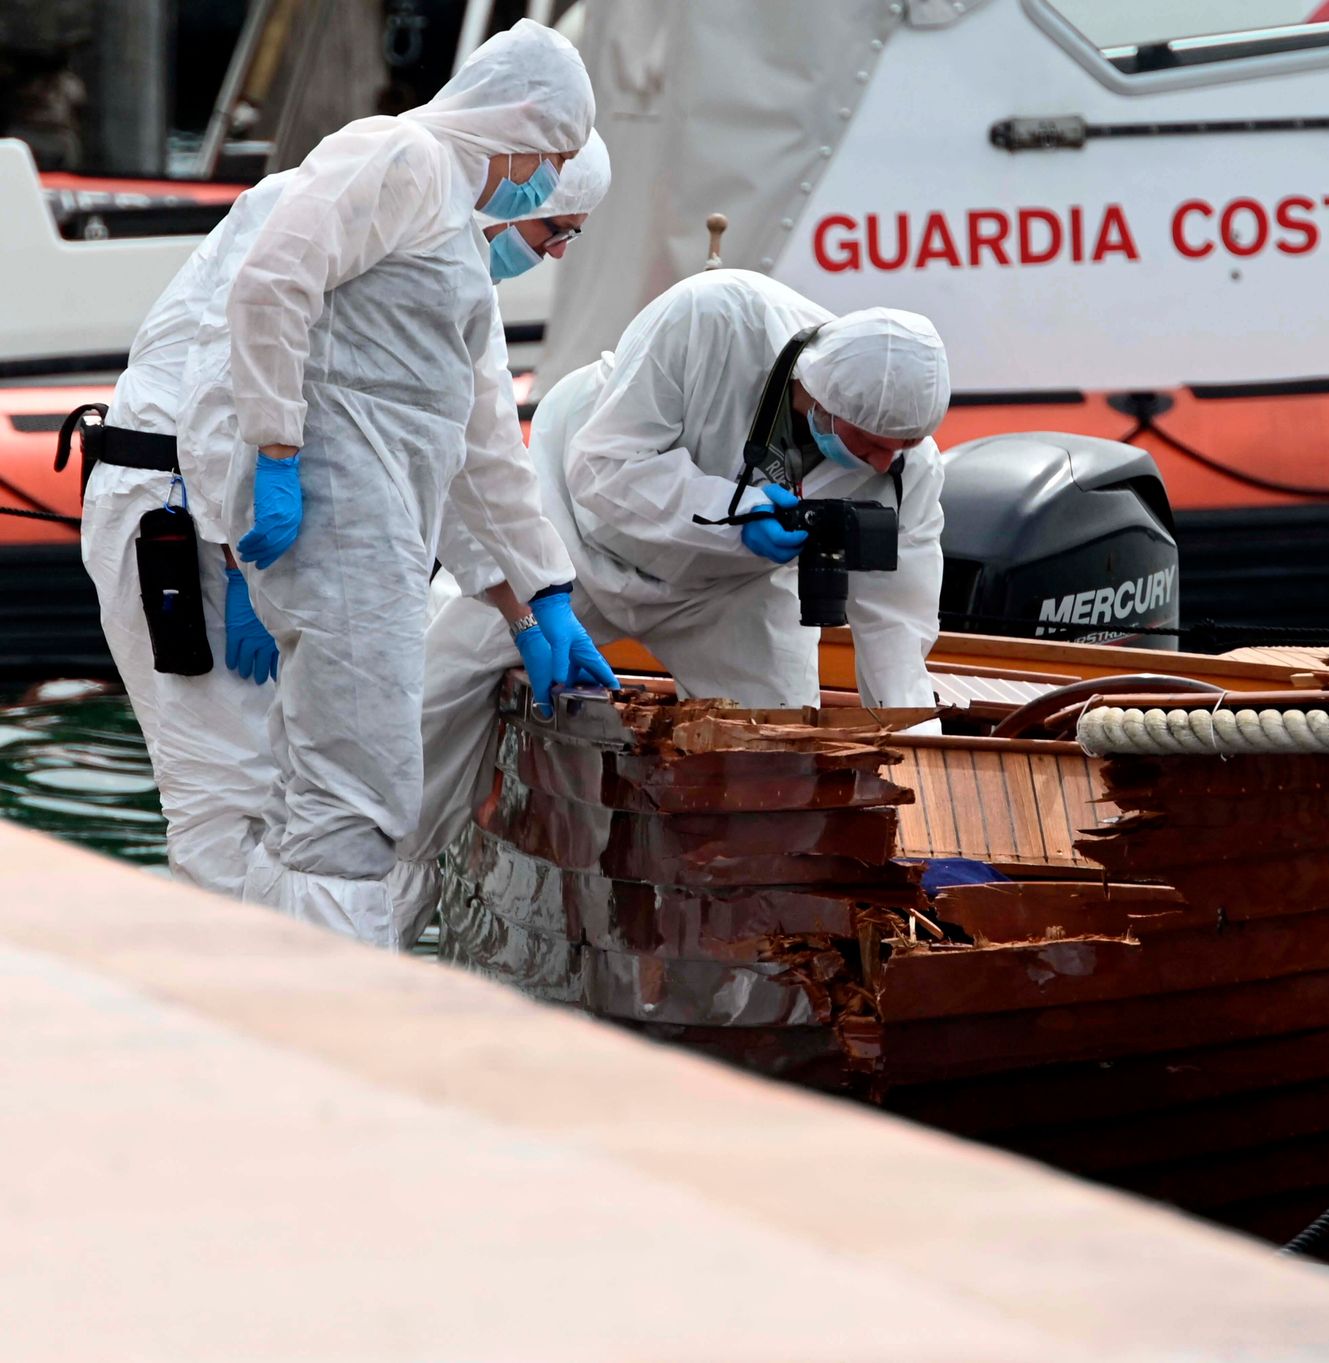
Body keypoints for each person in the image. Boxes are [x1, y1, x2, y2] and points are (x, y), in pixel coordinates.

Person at [73, 115, 612, 905]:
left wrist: (532, 607)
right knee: (227, 800)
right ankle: (222, 1010)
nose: (555, 253)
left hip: (272, 535)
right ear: (514, 170)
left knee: (294, 802)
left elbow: (466, 455)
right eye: (553, 229)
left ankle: (275, 998)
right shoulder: (321, 205)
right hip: (186, 512)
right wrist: (238, 556)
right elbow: (224, 389)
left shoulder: (449, 269)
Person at [385, 268, 951, 930]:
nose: (884, 464)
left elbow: (898, 631)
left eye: (902, 448)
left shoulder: (910, 468)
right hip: (569, 539)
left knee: (778, 766)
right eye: (871, 443)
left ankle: (753, 947)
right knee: (432, 698)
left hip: (726, 592)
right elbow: (603, 468)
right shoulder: (713, 317)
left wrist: (926, 800)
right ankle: (367, 912)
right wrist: (733, 510)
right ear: (821, 397)